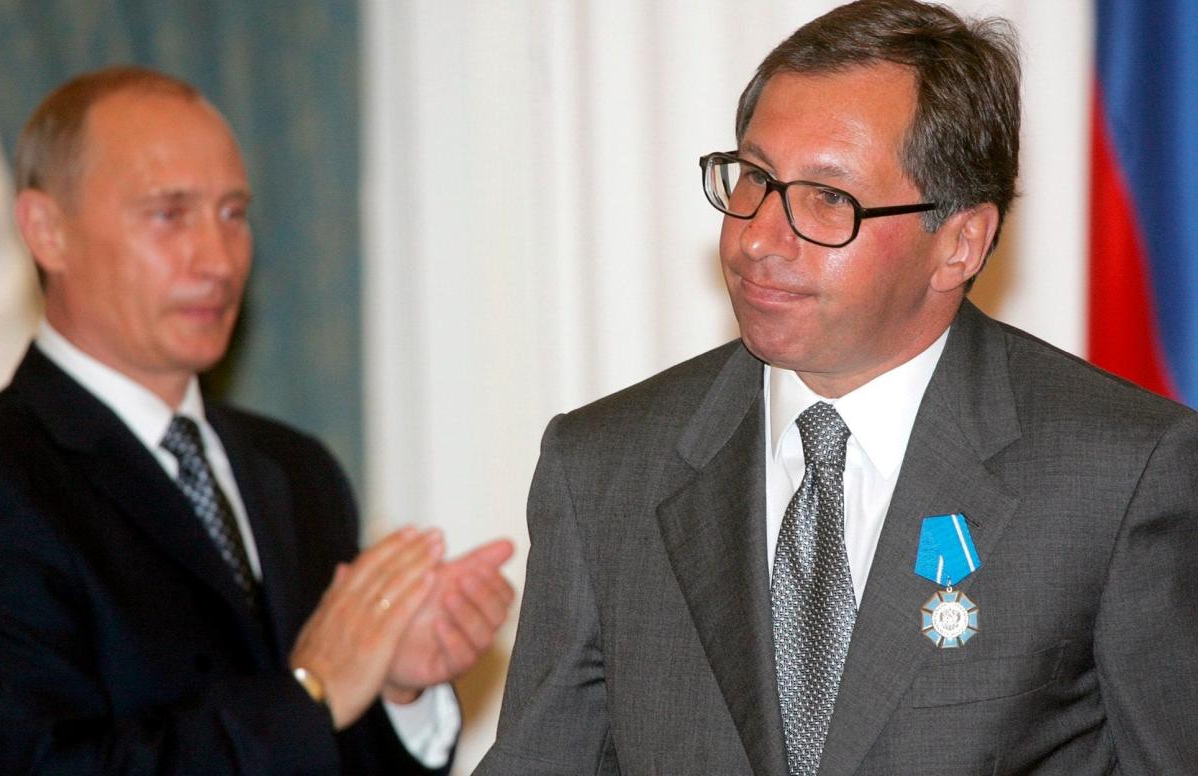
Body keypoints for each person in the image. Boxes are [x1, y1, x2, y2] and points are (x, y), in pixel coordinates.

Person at [476, 1, 1198, 774]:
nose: (755, 236)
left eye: (828, 199)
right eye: (753, 177)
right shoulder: (603, 470)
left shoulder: (1120, 475)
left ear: (959, 243)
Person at [0, 66, 514, 775]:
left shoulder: (297, 470)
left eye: (233, 214)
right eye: (170, 214)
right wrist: (310, 691)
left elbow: (326, 748)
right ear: (47, 231)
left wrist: (396, 688)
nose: (218, 260)